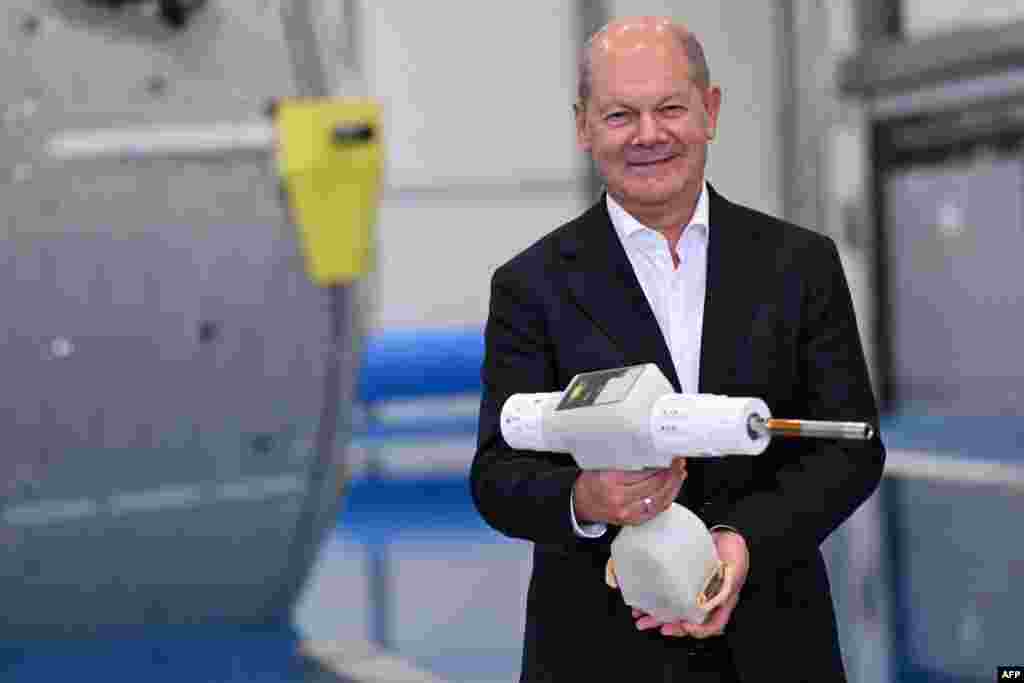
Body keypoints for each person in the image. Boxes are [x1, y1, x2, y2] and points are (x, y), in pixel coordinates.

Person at [470, 16, 885, 682]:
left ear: (710, 110)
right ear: (582, 127)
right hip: (595, 657)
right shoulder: (532, 285)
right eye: (619, 115)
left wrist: (745, 539)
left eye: (669, 107)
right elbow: (496, 475)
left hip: (775, 648)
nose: (648, 135)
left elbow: (852, 446)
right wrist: (586, 497)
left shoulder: (799, 265)